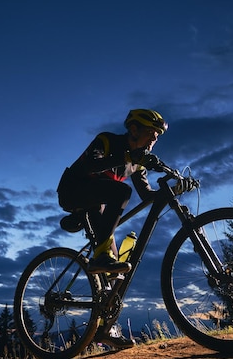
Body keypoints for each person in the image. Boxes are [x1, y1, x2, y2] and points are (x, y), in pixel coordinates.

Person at [57, 109, 167, 274]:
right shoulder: (107, 140)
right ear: (134, 129)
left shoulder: (138, 164)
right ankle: (100, 257)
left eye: (157, 135)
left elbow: (146, 195)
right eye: (150, 131)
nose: (154, 138)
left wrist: (172, 191)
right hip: (72, 191)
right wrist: (128, 157)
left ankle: (105, 295)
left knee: (113, 267)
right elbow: (91, 165)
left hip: (96, 203)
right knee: (121, 191)